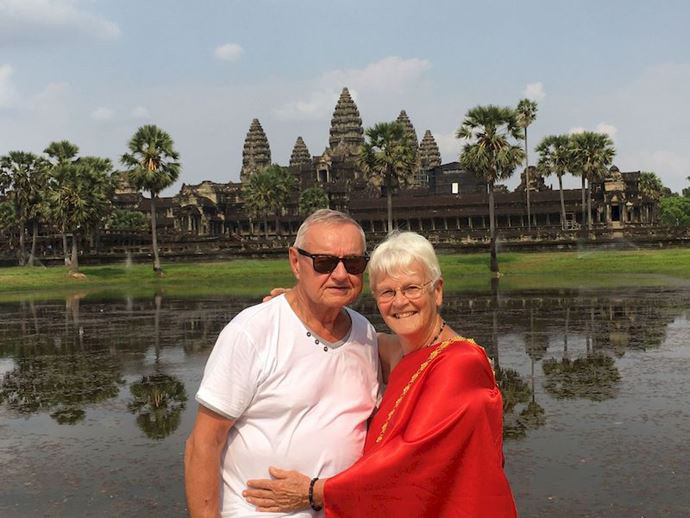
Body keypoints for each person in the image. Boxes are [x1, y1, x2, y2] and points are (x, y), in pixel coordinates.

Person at [243, 231, 517, 517]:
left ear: (437, 291)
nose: (399, 302)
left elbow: (409, 460)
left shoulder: (460, 363)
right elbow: (352, 338)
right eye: (387, 292)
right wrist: (304, 303)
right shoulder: (396, 350)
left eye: (412, 288)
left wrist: (315, 491)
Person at [184, 209, 380, 517]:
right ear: (295, 262)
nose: (341, 275)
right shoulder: (252, 331)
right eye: (324, 263)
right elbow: (203, 444)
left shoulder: (365, 334)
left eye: (353, 263)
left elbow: (436, 345)